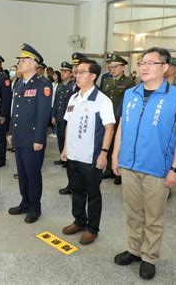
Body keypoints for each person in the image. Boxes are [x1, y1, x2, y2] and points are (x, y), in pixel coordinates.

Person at [112, 47, 176, 280]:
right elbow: (121, 127)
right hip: (128, 165)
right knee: (133, 213)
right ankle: (134, 250)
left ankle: (149, 257)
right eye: (141, 63)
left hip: (157, 169)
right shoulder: (130, 94)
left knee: (154, 217)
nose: (144, 67)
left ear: (164, 68)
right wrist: (115, 156)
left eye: (151, 63)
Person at [60, 59, 115, 245]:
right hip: (73, 155)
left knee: (93, 194)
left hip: (91, 157)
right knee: (76, 191)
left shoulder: (102, 100)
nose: (77, 75)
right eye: (77, 72)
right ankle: (79, 221)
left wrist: (104, 153)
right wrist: (66, 148)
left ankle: (92, 228)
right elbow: (68, 124)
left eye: (82, 72)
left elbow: (109, 128)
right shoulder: (74, 98)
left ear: (93, 76)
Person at [8, 43, 52, 223]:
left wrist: (39, 139)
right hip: (19, 137)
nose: (19, 62)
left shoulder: (43, 84)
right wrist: (11, 132)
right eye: (19, 60)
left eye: (24, 60)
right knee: (23, 173)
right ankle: (25, 202)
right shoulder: (19, 84)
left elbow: (43, 114)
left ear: (34, 64)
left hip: (33, 138)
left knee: (33, 174)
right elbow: (14, 111)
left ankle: (35, 207)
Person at [101, 53, 135, 184]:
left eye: (115, 67)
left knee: (119, 146)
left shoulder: (129, 83)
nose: (112, 69)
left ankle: (118, 172)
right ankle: (109, 169)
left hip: (120, 119)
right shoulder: (107, 81)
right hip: (108, 119)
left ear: (122, 67)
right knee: (108, 144)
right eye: (110, 67)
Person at [52, 62, 77, 195]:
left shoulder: (74, 87)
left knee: (68, 141)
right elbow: (56, 102)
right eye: (62, 71)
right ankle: (64, 156)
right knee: (61, 138)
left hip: (70, 119)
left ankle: (67, 158)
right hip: (61, 117)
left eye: (65, 71)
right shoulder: (61, 86)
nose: (62, 74)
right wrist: (54, 115)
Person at [49, 70, 61, 138]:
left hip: (56, 103)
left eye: (55, 75)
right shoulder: (51, 83)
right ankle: (53, 131)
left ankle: (55, 132)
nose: (54, 76)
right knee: (51, 117)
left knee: (55, 118)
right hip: (51, 102)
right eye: (53, 75)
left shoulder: (59, 84)